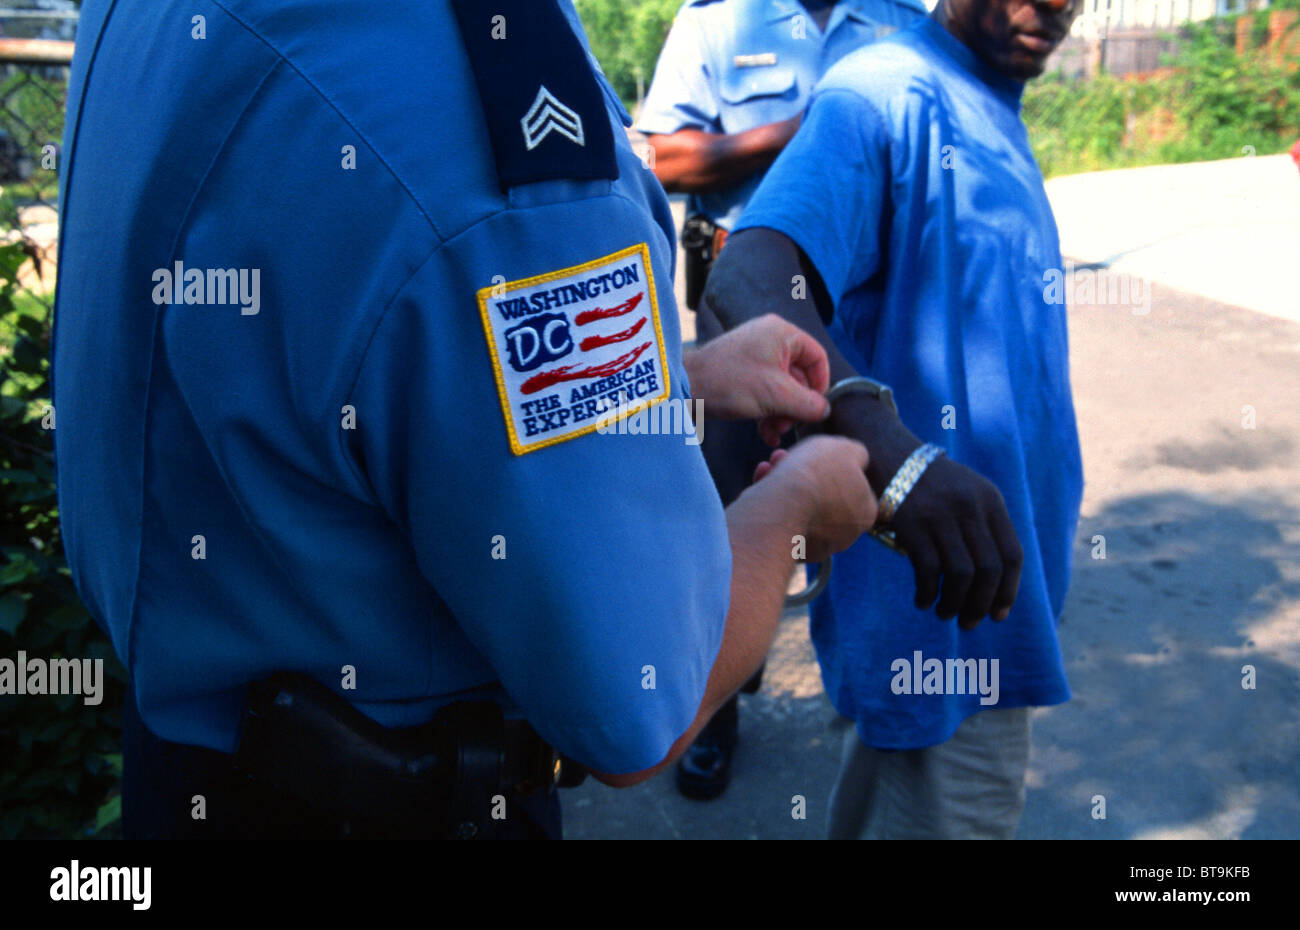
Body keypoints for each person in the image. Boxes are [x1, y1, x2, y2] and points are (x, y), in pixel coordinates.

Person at [51, 0, 877, 839]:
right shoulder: (487, 87)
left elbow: (303, 339)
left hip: (178, 772)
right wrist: (796, 512)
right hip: (397, 808)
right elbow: (638, 696)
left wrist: (672, 380)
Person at [702, 0, 1084, 838]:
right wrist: (895, 457)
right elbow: (752, 275)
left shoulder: (987, 105)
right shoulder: (884, 90)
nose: (1057, 5)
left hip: (994, 599)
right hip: (936, 626)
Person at [638, 0, 927, 802]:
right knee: (740, 510)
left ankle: (873, 705)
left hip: (877, 307)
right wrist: (796, 132)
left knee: (879, 503)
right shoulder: (718, 21)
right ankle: (717, 709)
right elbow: (659, 158)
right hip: (750, 309)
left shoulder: (904, 19)